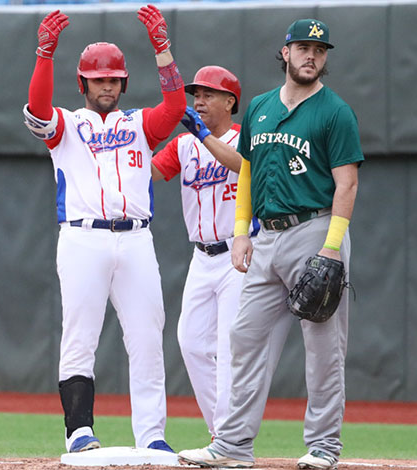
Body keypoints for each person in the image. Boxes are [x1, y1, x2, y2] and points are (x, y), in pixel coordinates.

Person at [178, 18, 364, 470]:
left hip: (315, 229)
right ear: (285, 53)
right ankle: (233, 446)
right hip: (267, 237)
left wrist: (331, 248)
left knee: (323, 347)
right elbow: (246, 175)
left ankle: (323, 446)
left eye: (319, 50)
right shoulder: (260, 107)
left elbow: (347, 183)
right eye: (303, 47)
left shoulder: (335, 112)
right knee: (244, 338)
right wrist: (241, 232)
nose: (311, 56)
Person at [22, 5, 186, 454]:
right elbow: (38, 108)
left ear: (123, 83)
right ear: (84, 84)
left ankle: (152, 435)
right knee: (80, 336)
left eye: (113, 78)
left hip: (135, 239)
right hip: (82, 237)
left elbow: (175, 107)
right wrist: (44, 53)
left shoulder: (138, 125)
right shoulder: (67, 124)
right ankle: (79, 432)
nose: (107, 84)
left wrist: (162, 48)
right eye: (99, 78)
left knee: (148, 337)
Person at [151, 65, 257, 440]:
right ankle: (224, 432)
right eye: (196, 94)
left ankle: (228, 437)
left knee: (230, 347)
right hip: (201, 255)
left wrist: (203, 136)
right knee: (191, 342)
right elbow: (150, 172)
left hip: (237, 254)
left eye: (209, 94)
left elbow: (245, 166)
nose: (199, 100)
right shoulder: (183, 144)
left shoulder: (247, 135)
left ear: (230, 101)